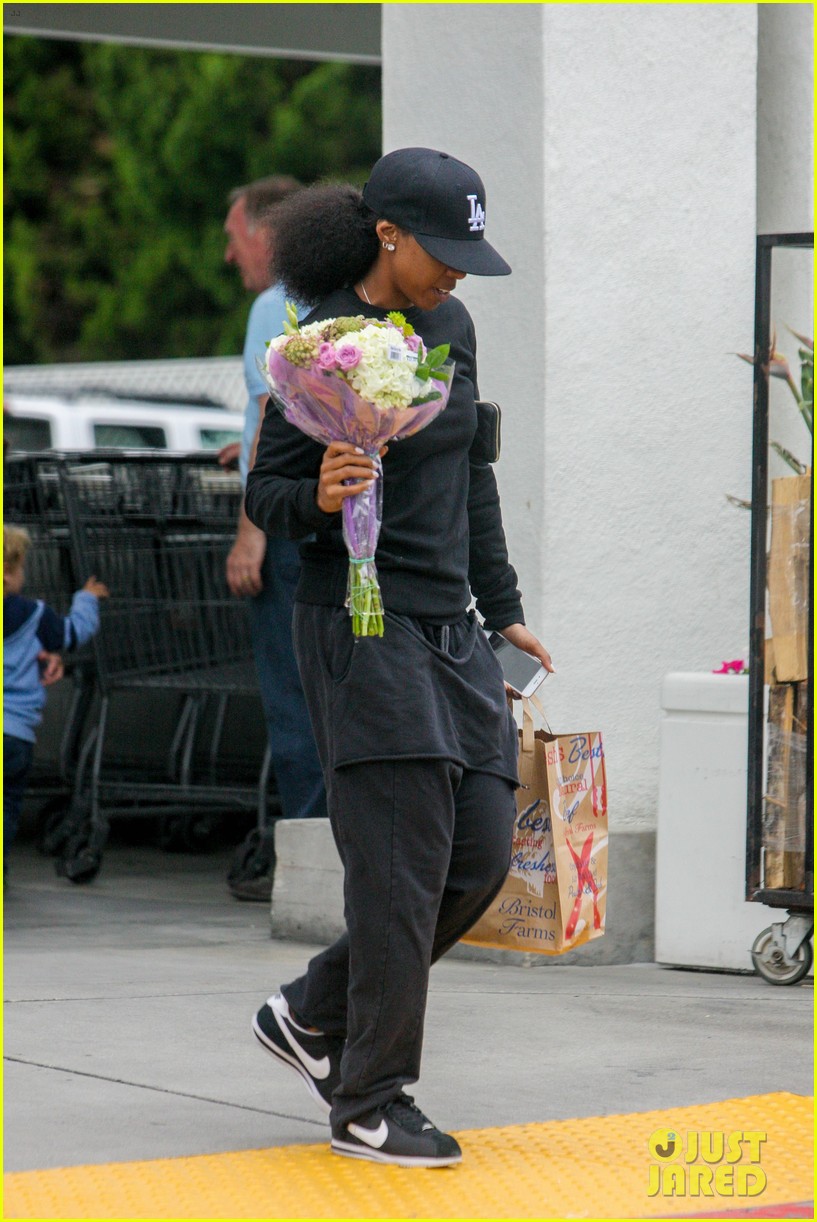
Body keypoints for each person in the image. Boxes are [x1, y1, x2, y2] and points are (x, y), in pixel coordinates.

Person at [244, 147, 554, 1168]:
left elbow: (471, 471)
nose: (460, 271)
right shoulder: (321, 335)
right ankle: (371, 1098)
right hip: (356, 623)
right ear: (388, 234)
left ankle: (312, 1010)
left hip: (447, 623)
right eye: (446, 251)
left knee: (477, 850)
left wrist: (500, 606)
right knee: (397, 868)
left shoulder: (450, 326)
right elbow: (268, 497)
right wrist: (321, 495)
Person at [221, 176, 327, 901]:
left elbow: (269, 417)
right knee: (330, 692)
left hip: (283, 526)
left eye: (233, 240)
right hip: (334, 519)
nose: (231, 257)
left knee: (292, 699)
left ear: (266, 233)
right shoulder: (339, 295)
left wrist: (249, 537)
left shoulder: (273, 302)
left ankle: (306, 870)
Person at [3, 525, 108, 859]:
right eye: (20, 568)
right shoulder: (33, 615)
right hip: (14, 733)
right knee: (6, 804)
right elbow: (72, 633)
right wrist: (86, 599)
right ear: (7, 576)